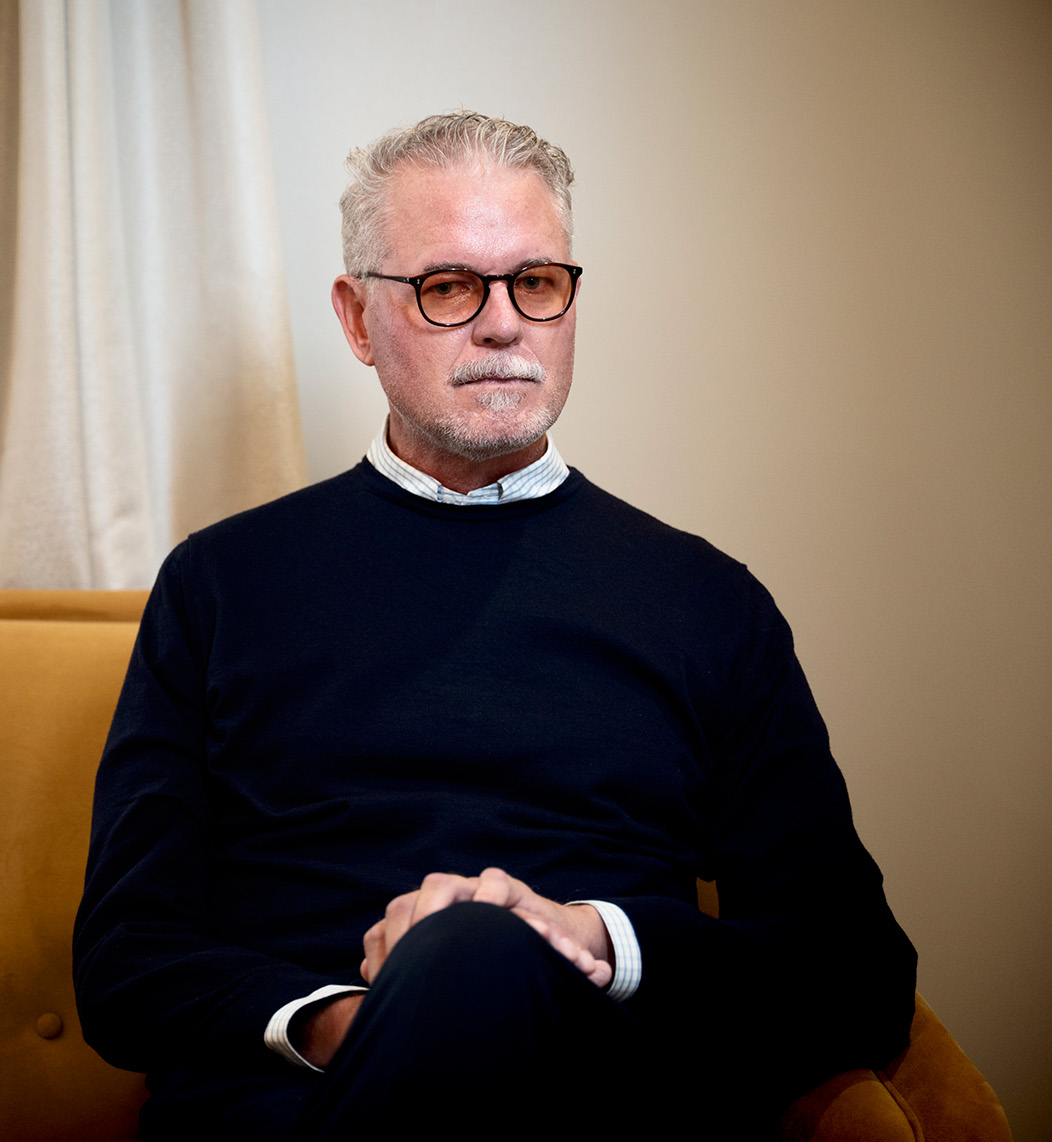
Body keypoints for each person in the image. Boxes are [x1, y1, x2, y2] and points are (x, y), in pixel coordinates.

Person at [72, 112, 915, 1140]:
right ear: (356, 318)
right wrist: (350, 1023)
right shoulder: (219, 583)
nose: (504, 324)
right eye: (449, 287)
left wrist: (592, 938)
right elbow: (127, 958)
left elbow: (858, 969)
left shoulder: (707, 600)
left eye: (537, 282)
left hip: (604, 1093)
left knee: (478, 948)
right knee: (463, 955)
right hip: (301, 1106)